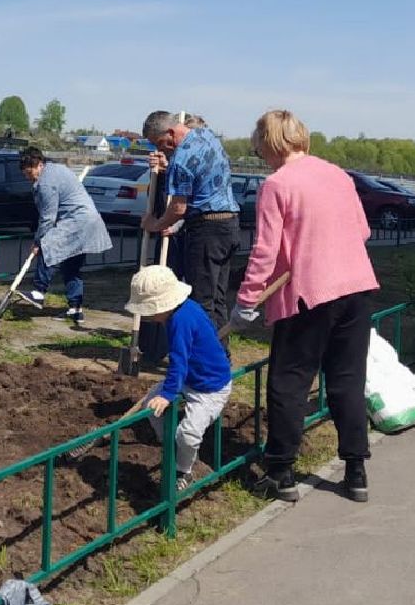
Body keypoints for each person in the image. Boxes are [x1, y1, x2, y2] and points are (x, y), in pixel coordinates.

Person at [233, 110, 380, 504]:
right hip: (356, 287)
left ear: (270, 141)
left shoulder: (277, 185)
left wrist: (246, 300)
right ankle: (356, 470)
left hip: (310, 294)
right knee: (348, 380)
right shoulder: (338, 175)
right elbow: (363, 231)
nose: (258, 150)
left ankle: (280, 472)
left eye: (258, 142)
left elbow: (264, 251)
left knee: (289, 381)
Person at [123, 265, 233, 491]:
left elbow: (178, 361)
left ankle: (184, 470)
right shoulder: (182, 310)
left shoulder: (181, 321)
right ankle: (170, 446)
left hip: (209, 388)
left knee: (189, 434)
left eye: (151, 310)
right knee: (150, 406)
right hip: (189, 377)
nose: (151, 316)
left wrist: (167, 394)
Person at [140, 110, 241, 330]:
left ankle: (200, 360)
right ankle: (220, 357)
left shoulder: (181, 159)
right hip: (229, 225)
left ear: (170, 132)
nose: (159, 149)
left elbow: (178, 208)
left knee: (201, 302)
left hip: (207, 231)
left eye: (159, 143)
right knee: (217, 301)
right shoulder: (207, 136)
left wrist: (155, 224)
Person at [19, 147, 112, 324]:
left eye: (29, 172)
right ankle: (75, 309)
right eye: (24, 173)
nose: (27, 176)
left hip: (77, 221)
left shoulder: (47, 182)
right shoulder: (57, 169)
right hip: (88, 220)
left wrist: (38, 241)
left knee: (48, 247)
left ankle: (38, 292)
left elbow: (48, 217)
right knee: (71, 267)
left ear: (39, 164)